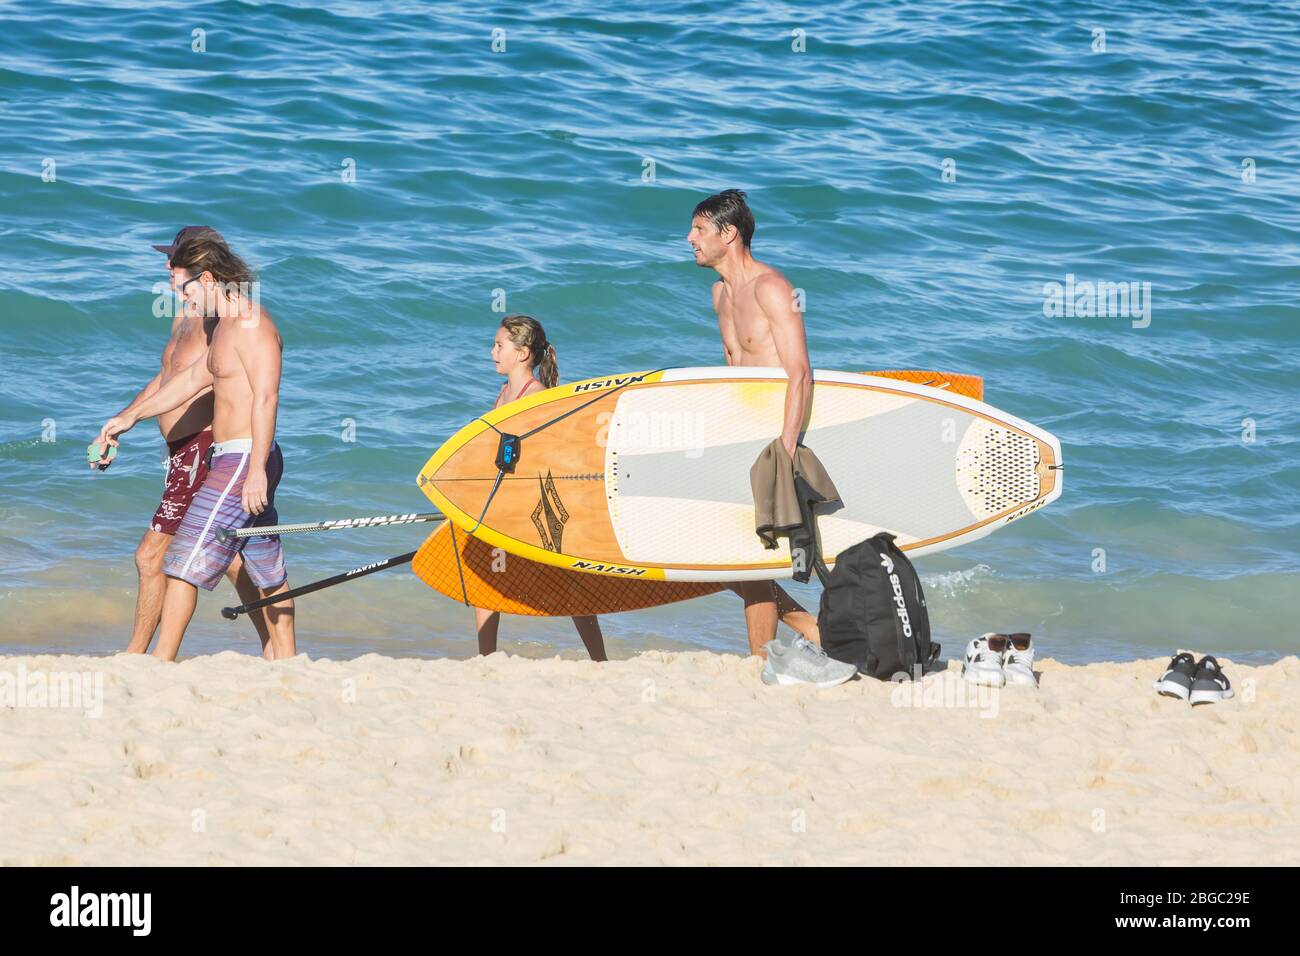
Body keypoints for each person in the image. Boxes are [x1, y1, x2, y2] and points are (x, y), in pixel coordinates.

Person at [94, 230, 296, 661]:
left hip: (244, 460)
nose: (178, 296)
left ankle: (159, 663)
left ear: (205, 280)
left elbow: (267, 397)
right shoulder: (222, 327)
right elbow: (188, 380)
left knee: (180, 566)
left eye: (182, 285)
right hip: (229, 457)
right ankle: (287, 662)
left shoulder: (253, 325)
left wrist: (257, 468)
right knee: (265, 571)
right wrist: (128, 417)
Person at [688, 189, 855, 687]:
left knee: (745, 556)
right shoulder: (719, 294)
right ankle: (807, 629)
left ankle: (765, 657)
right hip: (739, 437)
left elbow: (799, 372)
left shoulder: (772, 288)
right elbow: (733, 373)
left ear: (729, 233)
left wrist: (784, 449)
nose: (689, 239)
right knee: (726, 557)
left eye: (699, 230)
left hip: (775, 440)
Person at [474, 314, 607, 661]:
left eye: (499, 345)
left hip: (538, 509)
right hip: (508, 503)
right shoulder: (504, 393)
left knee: (571, 589)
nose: (492, 352)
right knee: (485, 578)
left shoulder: (538, 397)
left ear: (522, 353)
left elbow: (557, 456)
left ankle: (599, 659)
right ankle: (486, 658)